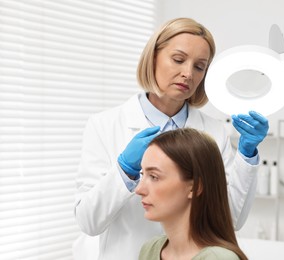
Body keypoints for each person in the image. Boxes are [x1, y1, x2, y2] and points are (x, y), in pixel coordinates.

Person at [73, 17, 269, 260]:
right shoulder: (105, 125)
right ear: (153, 57)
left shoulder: (214, 131)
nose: (187, 73)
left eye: (199, 66)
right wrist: (124, 172)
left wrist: (246, 155)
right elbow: (89, 222)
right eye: (178, 59)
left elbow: (230, 219)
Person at [136, 128, 248, 260]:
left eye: (154, 177)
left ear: (194, 187)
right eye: (143, 174)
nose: (139, 189)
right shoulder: (150, 249)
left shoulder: (218, 258)